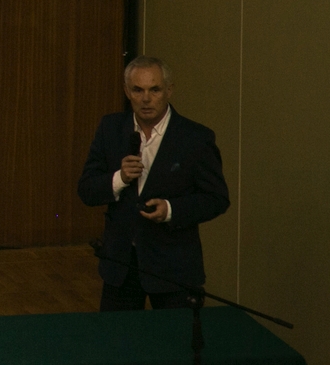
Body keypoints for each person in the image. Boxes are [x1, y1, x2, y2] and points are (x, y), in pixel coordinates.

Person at [78, 56, 230, 311]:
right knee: (117, 336)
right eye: (138, 90)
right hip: (121, 267)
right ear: (127, 91)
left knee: (175, 336)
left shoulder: (195, 138)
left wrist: (170, 210)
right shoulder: (110, 128)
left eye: (155, 90)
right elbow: (86, 190)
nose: (146, 99)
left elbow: (216, 198)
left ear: (169, 90)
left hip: (173, 269)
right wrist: (119, 178)